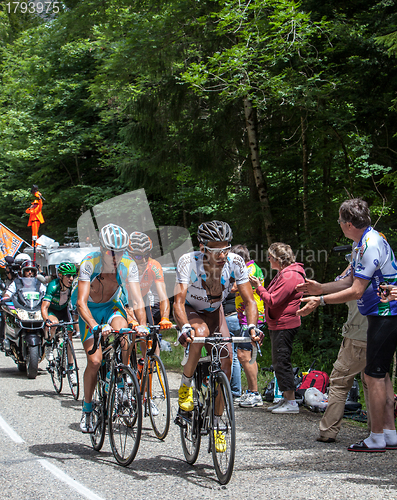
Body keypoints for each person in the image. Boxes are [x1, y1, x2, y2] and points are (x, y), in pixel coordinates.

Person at [297, 198, 397, 452]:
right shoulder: (361, 242)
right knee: (381, 376)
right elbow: (350, 279)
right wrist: (321, 287)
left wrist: (320, 300)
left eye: (340, 222)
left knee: (372, 375)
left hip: (386, 314)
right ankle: (389, 434)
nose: (339, 225)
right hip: (379, 314)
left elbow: (355, 290)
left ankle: (375, 438)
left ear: (348, 223)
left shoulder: (370, 245)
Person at [173, 220, 262, 451]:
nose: (223, 254)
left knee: (226, 359)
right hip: (192, 311)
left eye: (226, 248)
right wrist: (184, 327)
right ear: (203, 248)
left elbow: (251, 300)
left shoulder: (236, 262)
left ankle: (217, 425)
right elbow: (179, 302)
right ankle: (185, 386)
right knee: (199, 333)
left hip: (216, 312)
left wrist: (252, 327)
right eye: (216, 250)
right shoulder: (188, 262)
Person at [76, 223, 147, 434]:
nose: (116, 257)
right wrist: (95, 326)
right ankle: (87, 409)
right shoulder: (89, 263)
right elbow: (80, 302)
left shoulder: (128, 264)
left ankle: (121, 380)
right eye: (111, 252)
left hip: (112, 308)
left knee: (125, 335)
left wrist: (142, 325)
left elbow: (137, 300)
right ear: (101, 248)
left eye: (121, 251)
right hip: (90, 311)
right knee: (95, 361)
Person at [296, 257, 370, 442]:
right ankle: (379, 431)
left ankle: (328, 431)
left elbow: (345, 284)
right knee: (374, 383)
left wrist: (320, 296)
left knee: (339, 381)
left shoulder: (361, 270)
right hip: (380, 333)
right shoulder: (386, 271)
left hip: (357, 334)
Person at [250, 242, 305, 414]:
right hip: (278, 323)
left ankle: (291, 402)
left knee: (282, 362)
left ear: (278, 259)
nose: (268, 259)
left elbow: (273, 300)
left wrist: (258, 287)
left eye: (270, 257)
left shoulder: (291, 276)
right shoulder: (284, 273)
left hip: (285, 324)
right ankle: (285, 398)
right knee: (278, 362)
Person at [230, 244, 266, 408]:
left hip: (251, 317)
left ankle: (254, 392)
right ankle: (252, 391)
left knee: (245, 355)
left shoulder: (250, 269)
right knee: (245, 354)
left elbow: (234, 288)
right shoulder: (250, 267)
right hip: (245, 316)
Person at [126, 231, 173, 352]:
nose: (143, 260)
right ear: (129, 254)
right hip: (125, 300)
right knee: (129, 337)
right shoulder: (124, 265)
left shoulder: (154, 265)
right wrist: (130, 317)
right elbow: (118, 295)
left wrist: (165, 317)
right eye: (138, 256)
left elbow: (163, 296)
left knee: (150, 335)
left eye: (146, 255)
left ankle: (150, 365)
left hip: (142, 298)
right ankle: (128, 363)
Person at [41, 262, 78, 384]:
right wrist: (46, 320)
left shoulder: (72, 286)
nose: (71, 278)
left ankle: (71, 369)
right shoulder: (53, 285)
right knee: (54, 324)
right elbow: (44, 307)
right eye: (68, 275)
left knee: (70, 334)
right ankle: (48, 344)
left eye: (73, 275)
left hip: (64, 310)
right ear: (60, 275)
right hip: (52, 310)